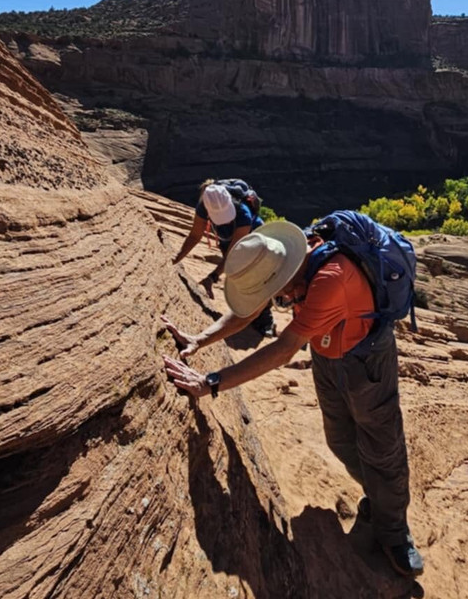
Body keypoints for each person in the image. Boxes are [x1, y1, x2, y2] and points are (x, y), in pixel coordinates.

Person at [161, 220, 424, 578]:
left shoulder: (331, 278)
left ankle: (393, 532)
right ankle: (379, 499)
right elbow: (252, 307)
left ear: (285, 278)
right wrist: (200, 338)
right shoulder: (282, 261)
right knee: (341, 441)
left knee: (382, 448)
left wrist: (211, 383)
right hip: (328, 354)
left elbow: (284, 348)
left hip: (367, 361)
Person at [171, 179, 274, 336]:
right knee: (238, 276)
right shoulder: (203, 207)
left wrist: (212, 277)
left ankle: (265, 320)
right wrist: (175, 259)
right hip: (227, 238)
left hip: (253, 238)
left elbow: (234, 255)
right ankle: (249, 313)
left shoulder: (243, 214)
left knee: (256, 276)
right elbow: (194, 236)